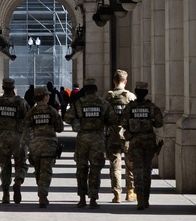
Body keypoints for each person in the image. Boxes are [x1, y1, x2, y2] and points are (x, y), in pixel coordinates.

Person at [68, 78, 112, 208]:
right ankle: (93, 198)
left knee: (81, 168)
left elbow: (67, 117)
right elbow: (113, 119)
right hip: (98, 139)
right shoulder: (102, 103)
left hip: (82, 139)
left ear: (85, 90)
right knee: (95, 169)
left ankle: (82, 198)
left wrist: (77, 122)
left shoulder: (79, 103)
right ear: (95, 89)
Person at [0, 77, 28, 205]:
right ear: (13, 88)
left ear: (3, 88)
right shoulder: (21, 102)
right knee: (21, 163)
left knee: (5, 166)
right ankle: (18, 181)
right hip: (18, 138)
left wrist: (0, 119)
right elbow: (28, 119)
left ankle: (6, 194)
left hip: (3, 138)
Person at [122, 81, 165, 209]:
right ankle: (146, 199)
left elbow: (123, 122)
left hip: (135, 141)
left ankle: (139, 198)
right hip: (149, 142)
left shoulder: (130, 107)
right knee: (147, 170)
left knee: (137, 170)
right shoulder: (152, 107)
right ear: (146, 93)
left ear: (135, 92)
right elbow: (159, 123)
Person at [24, 87, 64, 207]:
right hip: (49, 145)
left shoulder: (31, 111)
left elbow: (26, 127)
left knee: (38, 171)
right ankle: (43, 195)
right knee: (46, 172)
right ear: (45, 97)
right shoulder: (52, 111)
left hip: (35, 145)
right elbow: (60, 128)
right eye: (47, 95)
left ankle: (41, 191)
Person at [105, 69, 134, 204]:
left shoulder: (108, 98)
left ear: (114, 81)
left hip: (112, 135)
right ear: (125, 81)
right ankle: (131, 192)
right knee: (130, 165)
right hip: (127, 136)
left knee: (115, 166)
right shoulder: (131, 97)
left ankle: (117, 194)